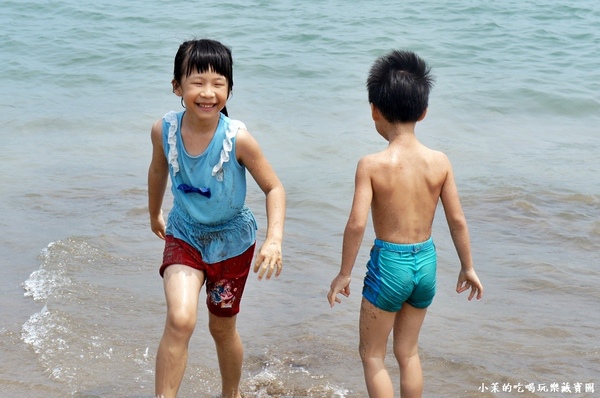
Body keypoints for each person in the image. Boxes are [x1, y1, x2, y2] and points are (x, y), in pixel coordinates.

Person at [327, 50, 483, 398]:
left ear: (374, 110)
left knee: (372, 355)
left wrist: (344, 273)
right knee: (408, 352)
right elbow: (456, 219)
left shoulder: (371, 165)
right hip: (426, 263)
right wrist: (468, 266)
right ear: (424, 112)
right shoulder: (440, 162)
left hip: (390, 265)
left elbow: (356, 224)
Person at [148, 39, 286, 398]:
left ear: (229, 89)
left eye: (218, 83)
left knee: (222, 329)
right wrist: (154, 212)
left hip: (232, 242)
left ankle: (231, 393)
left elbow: (274, 189)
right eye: (196, 82)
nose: (207, 93)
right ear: (177, 86)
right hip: (185, 233)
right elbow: (158, 169)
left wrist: (274, 239)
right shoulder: (163, 130)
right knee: (180, 319)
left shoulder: (237, 139)